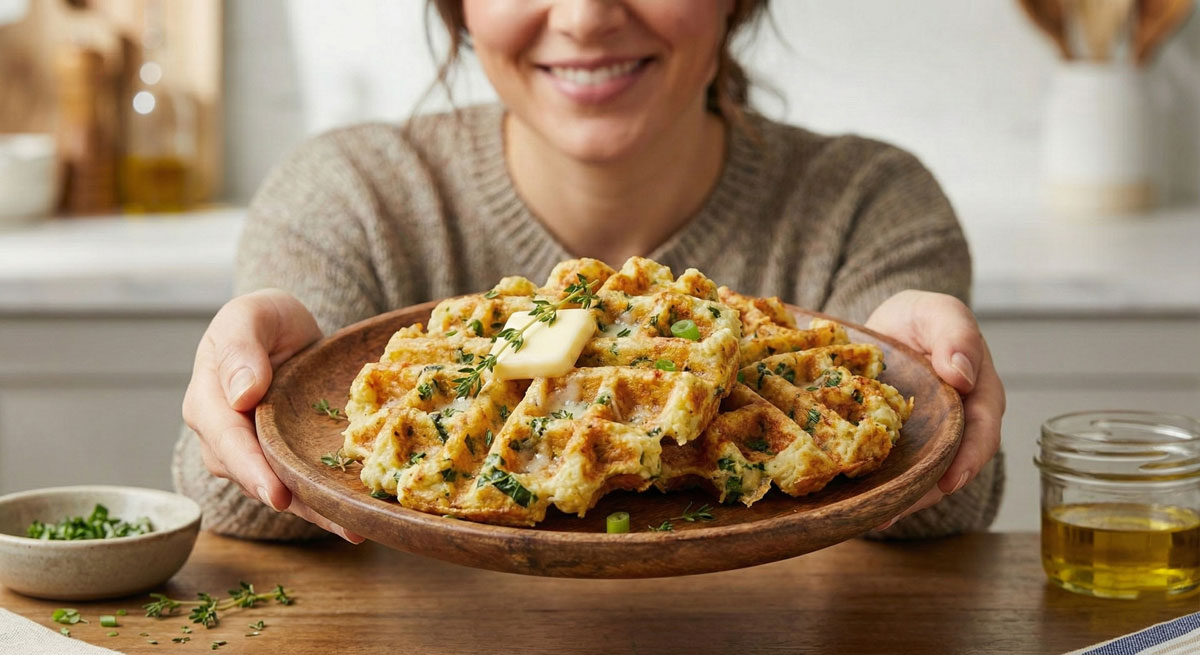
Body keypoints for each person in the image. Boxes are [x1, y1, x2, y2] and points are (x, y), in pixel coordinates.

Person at [177, 0, 1005, 543]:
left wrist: (939, 410)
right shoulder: (347, 197)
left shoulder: (870, 203)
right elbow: (256, 501)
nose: (583, 16)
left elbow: (942, 514)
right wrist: (256, 404)